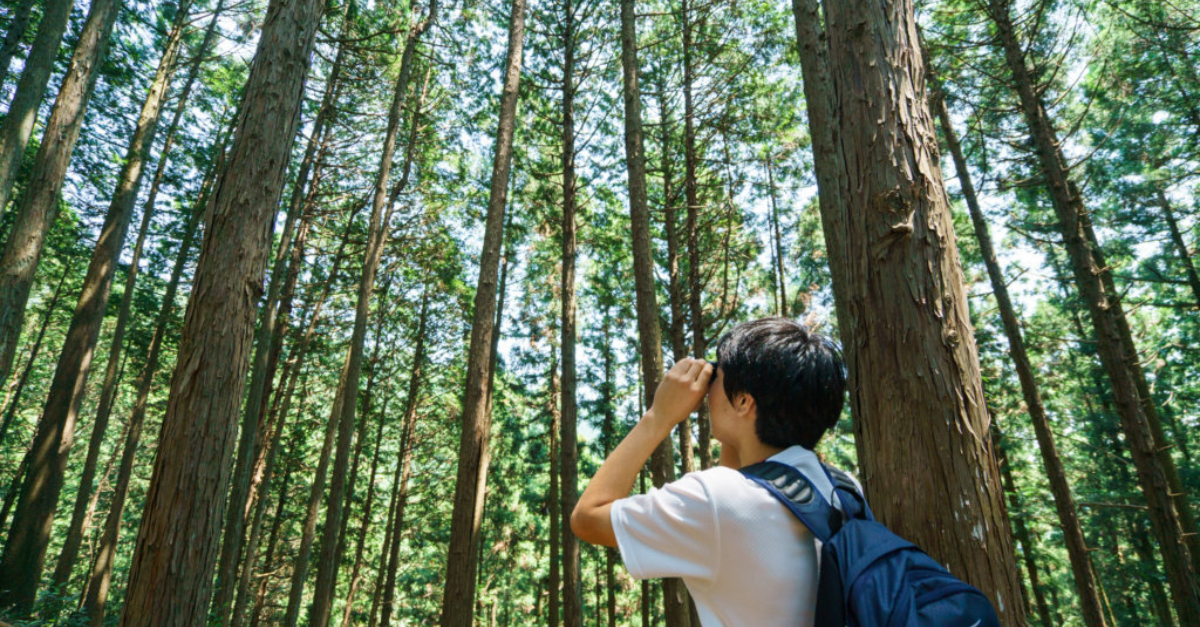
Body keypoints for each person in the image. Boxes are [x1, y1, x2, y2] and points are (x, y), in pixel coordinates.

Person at [571, 317, 850, 627]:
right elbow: (748, 480)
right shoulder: (844, 488)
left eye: (718, 374)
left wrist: (659, 415)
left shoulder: (714, 501)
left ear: (744, 401)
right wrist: (734, 431)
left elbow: (587, 518)